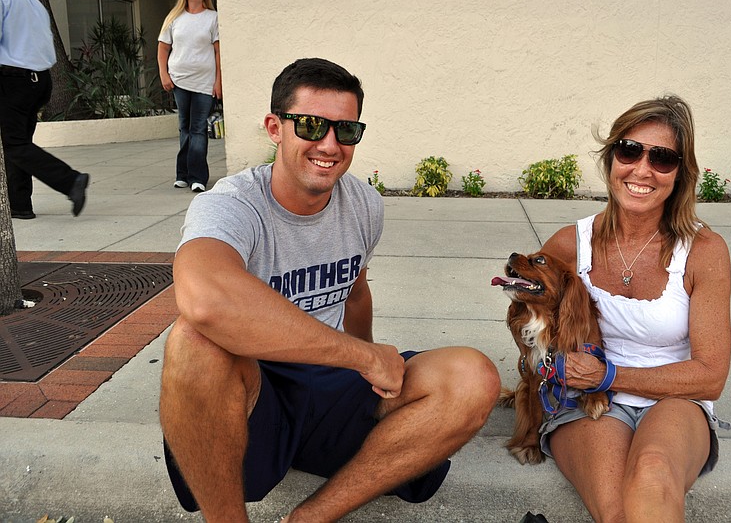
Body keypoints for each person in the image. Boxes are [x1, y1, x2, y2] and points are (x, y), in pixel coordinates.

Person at [159, 57, 501, 522]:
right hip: (257, 390)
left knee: (473, 377)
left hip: (330, 383)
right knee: (193, 341)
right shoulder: (232, 204)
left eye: (346, 130)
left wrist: (372, 368)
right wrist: (363, 356)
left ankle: (311, 517)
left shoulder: (362, 203)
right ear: (275, 128)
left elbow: (354, 292)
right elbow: (205, 300)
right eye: (311, 125)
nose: (329, 144)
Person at [537, 95, 731, 522]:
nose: (642, 170)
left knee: (653, 473)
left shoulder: (704, 250)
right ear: (611, 159)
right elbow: (527, 321)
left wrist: (610, 375)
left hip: (676, 397)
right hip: (589, 400)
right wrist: (547, 357)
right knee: (617, 511)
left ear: (680, 173)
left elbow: (711, 375)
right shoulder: (570, 245)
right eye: (629, 151)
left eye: (662, 158)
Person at [0, 0, 88, 219]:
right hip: (38, 80)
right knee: (19, 143)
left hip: (12, 80)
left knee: (14, 144)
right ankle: (20, 205)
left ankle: (70, 181)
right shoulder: (32, 0)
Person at [157, 0, 221, 193]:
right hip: (179, 81)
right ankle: (182, 174)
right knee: (184, 127)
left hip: (204, 83)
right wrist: (164, 74)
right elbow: (163, 48)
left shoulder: (213, 17)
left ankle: (198, 177)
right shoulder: (174, 17)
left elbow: (218, 52)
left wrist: (219, 81)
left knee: (198, 128)